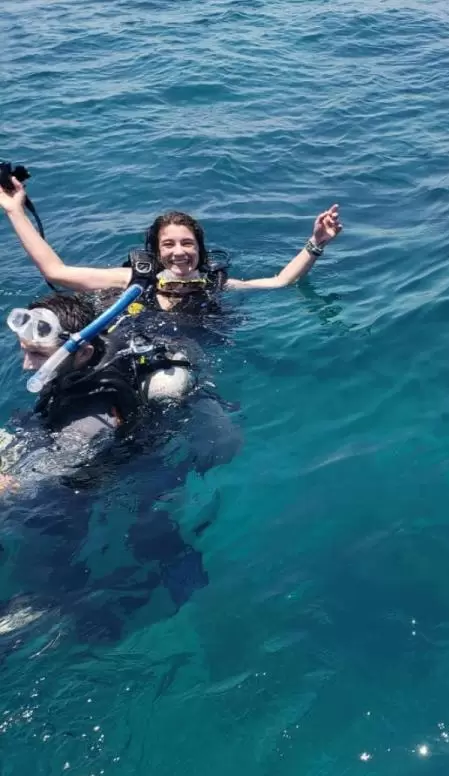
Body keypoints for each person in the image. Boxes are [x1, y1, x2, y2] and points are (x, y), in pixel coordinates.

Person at [0, 293, 233, 643]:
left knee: (46, 524)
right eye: (24, 350)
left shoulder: (89, 423)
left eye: (37, 354)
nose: (26, 365)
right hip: (112, 447)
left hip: (109, 474)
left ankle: (61, 609)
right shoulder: (88, 357)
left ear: (81, 351)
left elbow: (35, 481)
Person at [0, 175, 343, 317]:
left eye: (187, 243)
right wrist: (16, 211)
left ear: (199, 249)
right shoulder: (131, 282)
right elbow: (56, 272)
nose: (179, 251)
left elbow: (279, 282)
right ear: (156, 251)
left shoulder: (214, 284)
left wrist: (316, 243)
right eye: (169, 244)